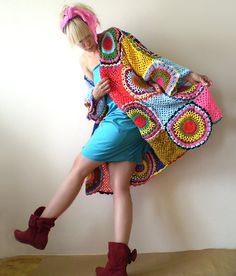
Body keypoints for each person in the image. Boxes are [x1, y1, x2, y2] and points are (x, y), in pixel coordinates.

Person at [14, 3, 222, 276]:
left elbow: (149, 62)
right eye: (79, 41)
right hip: (118, 121)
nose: (86, 43)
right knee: (120, 188)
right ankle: (116, 266)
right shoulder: (85, 61)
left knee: (79, 166)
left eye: (87, 35)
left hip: (127, 120)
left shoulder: (116, 39)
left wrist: (187, 75)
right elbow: (94, 105)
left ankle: (39, 229)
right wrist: (96, 95)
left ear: (92, 25)